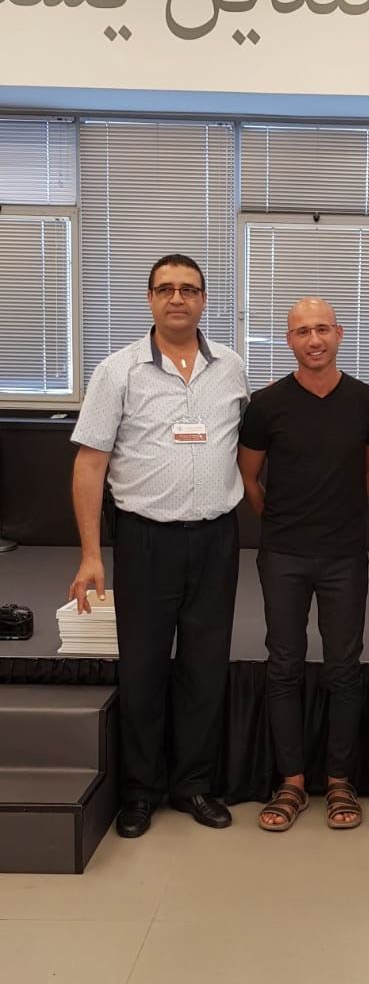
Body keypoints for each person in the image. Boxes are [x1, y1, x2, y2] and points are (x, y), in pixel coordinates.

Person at [68, 253, 250, 839]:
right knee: (144, 668)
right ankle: (141, 790)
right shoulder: (116, 371)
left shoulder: (232, 368)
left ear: (204, 301)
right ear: (149, 299)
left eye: (189, 289)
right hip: (145, 540)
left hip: (217, 539)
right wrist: (91, 554)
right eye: (166, 289)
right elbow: (90, 464)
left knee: (205, 666)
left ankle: (193, 784)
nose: (177, 298)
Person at [238, 297, 369, 831]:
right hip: (282, 554)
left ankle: (341, 781)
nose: (314, 340)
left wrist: (337, 515)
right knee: (284, 664)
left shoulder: (368, 403)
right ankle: (292, 783)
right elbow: (249, 477)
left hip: (344, 555)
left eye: (322, 329)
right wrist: (282, 522)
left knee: (344, 668)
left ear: (339, 333)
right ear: (289, 341)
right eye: (302, 331)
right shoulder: (266, 405)